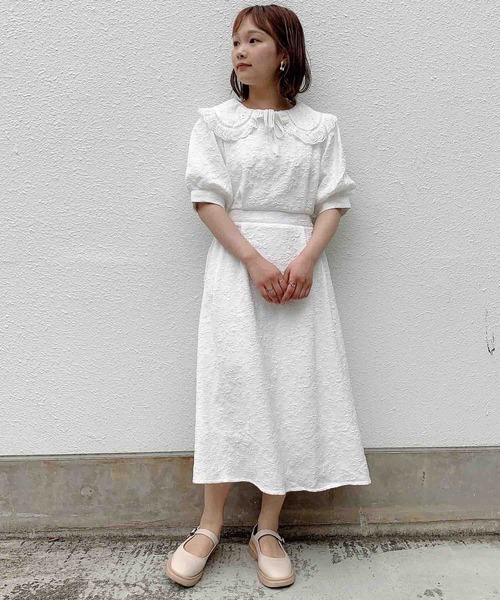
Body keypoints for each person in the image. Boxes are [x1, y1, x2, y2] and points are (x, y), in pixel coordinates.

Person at [165, 3, 371, 589]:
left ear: (284, 53)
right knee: (229, 386)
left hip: (299, 276)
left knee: (291, 388)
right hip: (238, 271)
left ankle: (268, 528)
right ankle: (209, 525)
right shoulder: (215, 123)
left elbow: (332, 201)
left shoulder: (320, 128)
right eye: (236, 40)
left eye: (254, 39)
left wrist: (305, 259)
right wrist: (254, 260)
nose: (240, 49)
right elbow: (207, 199)